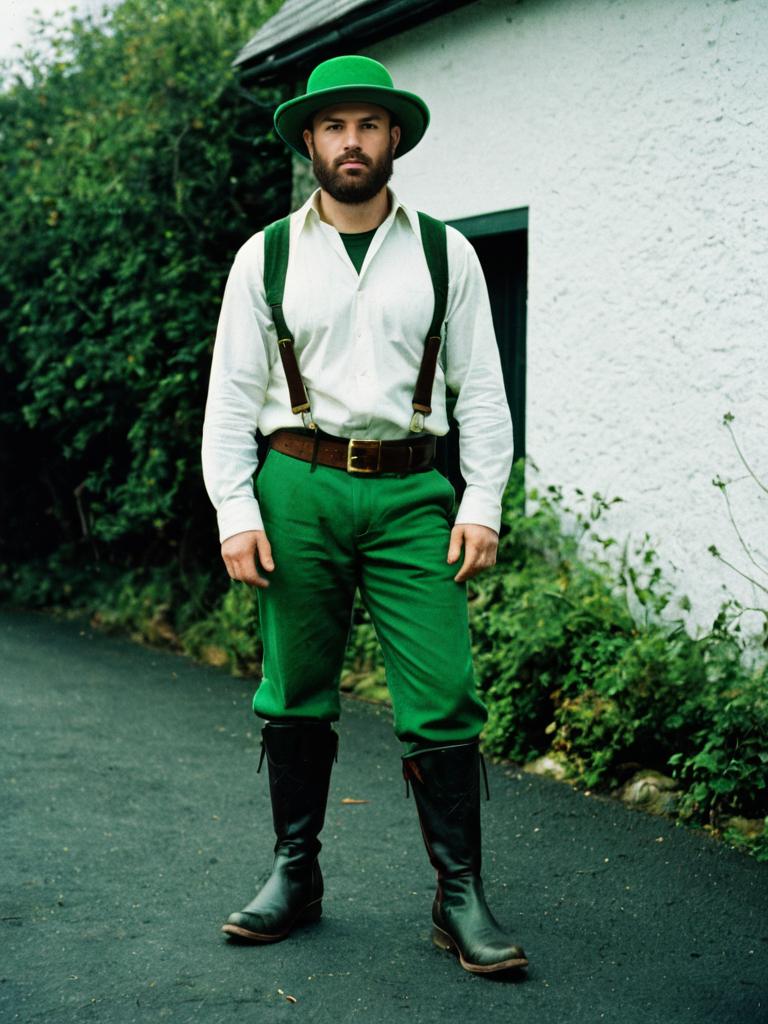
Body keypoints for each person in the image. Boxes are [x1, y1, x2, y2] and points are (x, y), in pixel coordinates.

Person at [201, 54, 527, 974]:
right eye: (335, 125)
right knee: (294, 687)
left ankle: (457, 895)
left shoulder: (444, 251)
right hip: (295, 484)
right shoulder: (264, 254)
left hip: (412, 489)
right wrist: (235, 509)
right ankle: (294, 875)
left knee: (444, 692)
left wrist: (485, 501)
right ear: (309, 141)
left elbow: (486, 395)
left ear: (395, 140)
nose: (352, 141)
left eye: (369, 125)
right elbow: (230, 401)